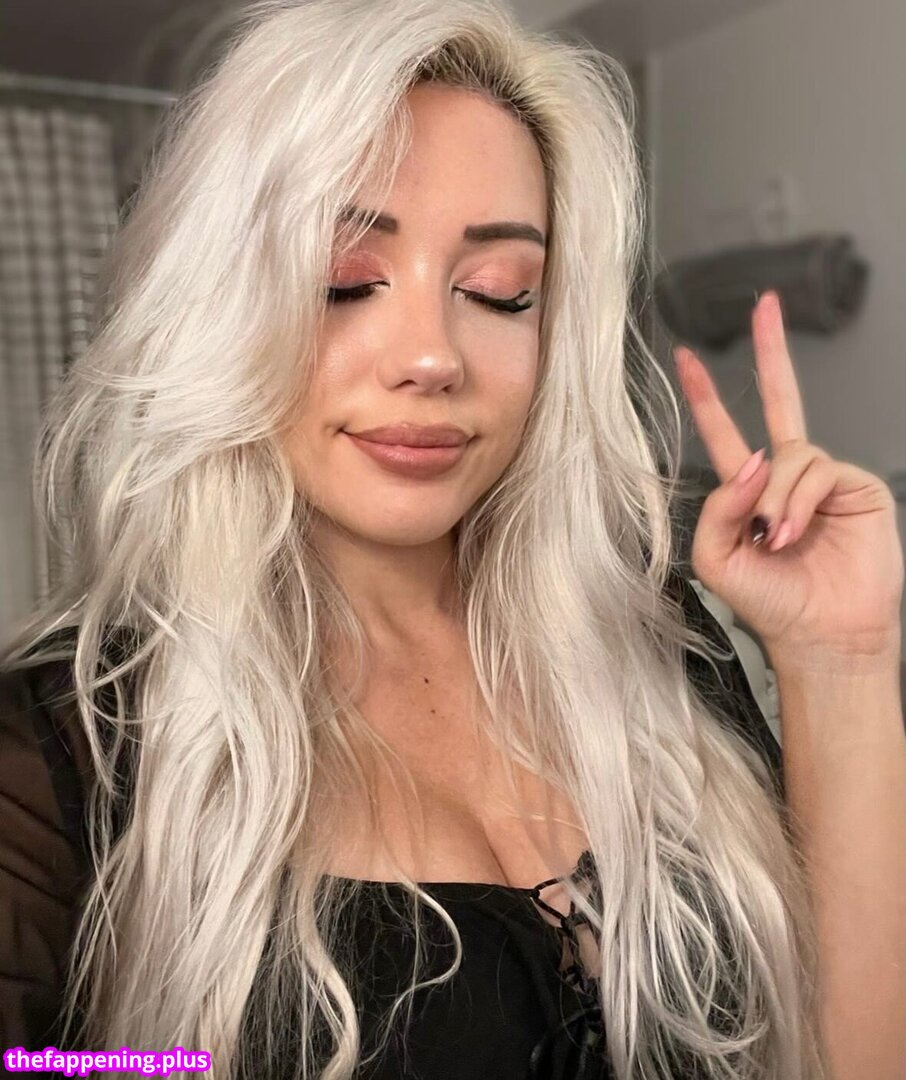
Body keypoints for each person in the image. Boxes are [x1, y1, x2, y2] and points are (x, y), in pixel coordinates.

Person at [3, 1, 904, 1078]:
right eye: (345, 281)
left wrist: (839, 662)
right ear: (216, 306)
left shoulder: (660, 646)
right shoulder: (61, 755)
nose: (432, 356)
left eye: (498, 294)